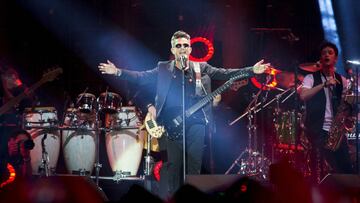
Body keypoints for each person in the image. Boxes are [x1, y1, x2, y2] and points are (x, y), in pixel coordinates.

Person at [98, 30, 270, 198]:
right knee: (172, 168)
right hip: (169, 124)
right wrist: (118, 72)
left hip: (196, 123)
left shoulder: (200, 68)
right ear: (173, 50)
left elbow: (225, 73)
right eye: (178, 45)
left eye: (185, 45)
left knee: (193, 167)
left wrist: (252, 70)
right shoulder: (163, 68)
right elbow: (141, 77)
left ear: (190, 49)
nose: (182, 48)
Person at [299, 41, 353, 183]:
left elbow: (348, 105)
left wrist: (349, 116)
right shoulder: (311, 78)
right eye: (324, 53)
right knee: (324, 170)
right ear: (320, 59)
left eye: (330, 53)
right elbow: (303, 96)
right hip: (318, 130)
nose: (326, 55)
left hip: (337, 131)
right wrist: (323, 84)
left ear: (335, 58)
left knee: (346, 169)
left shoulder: (343, 80)